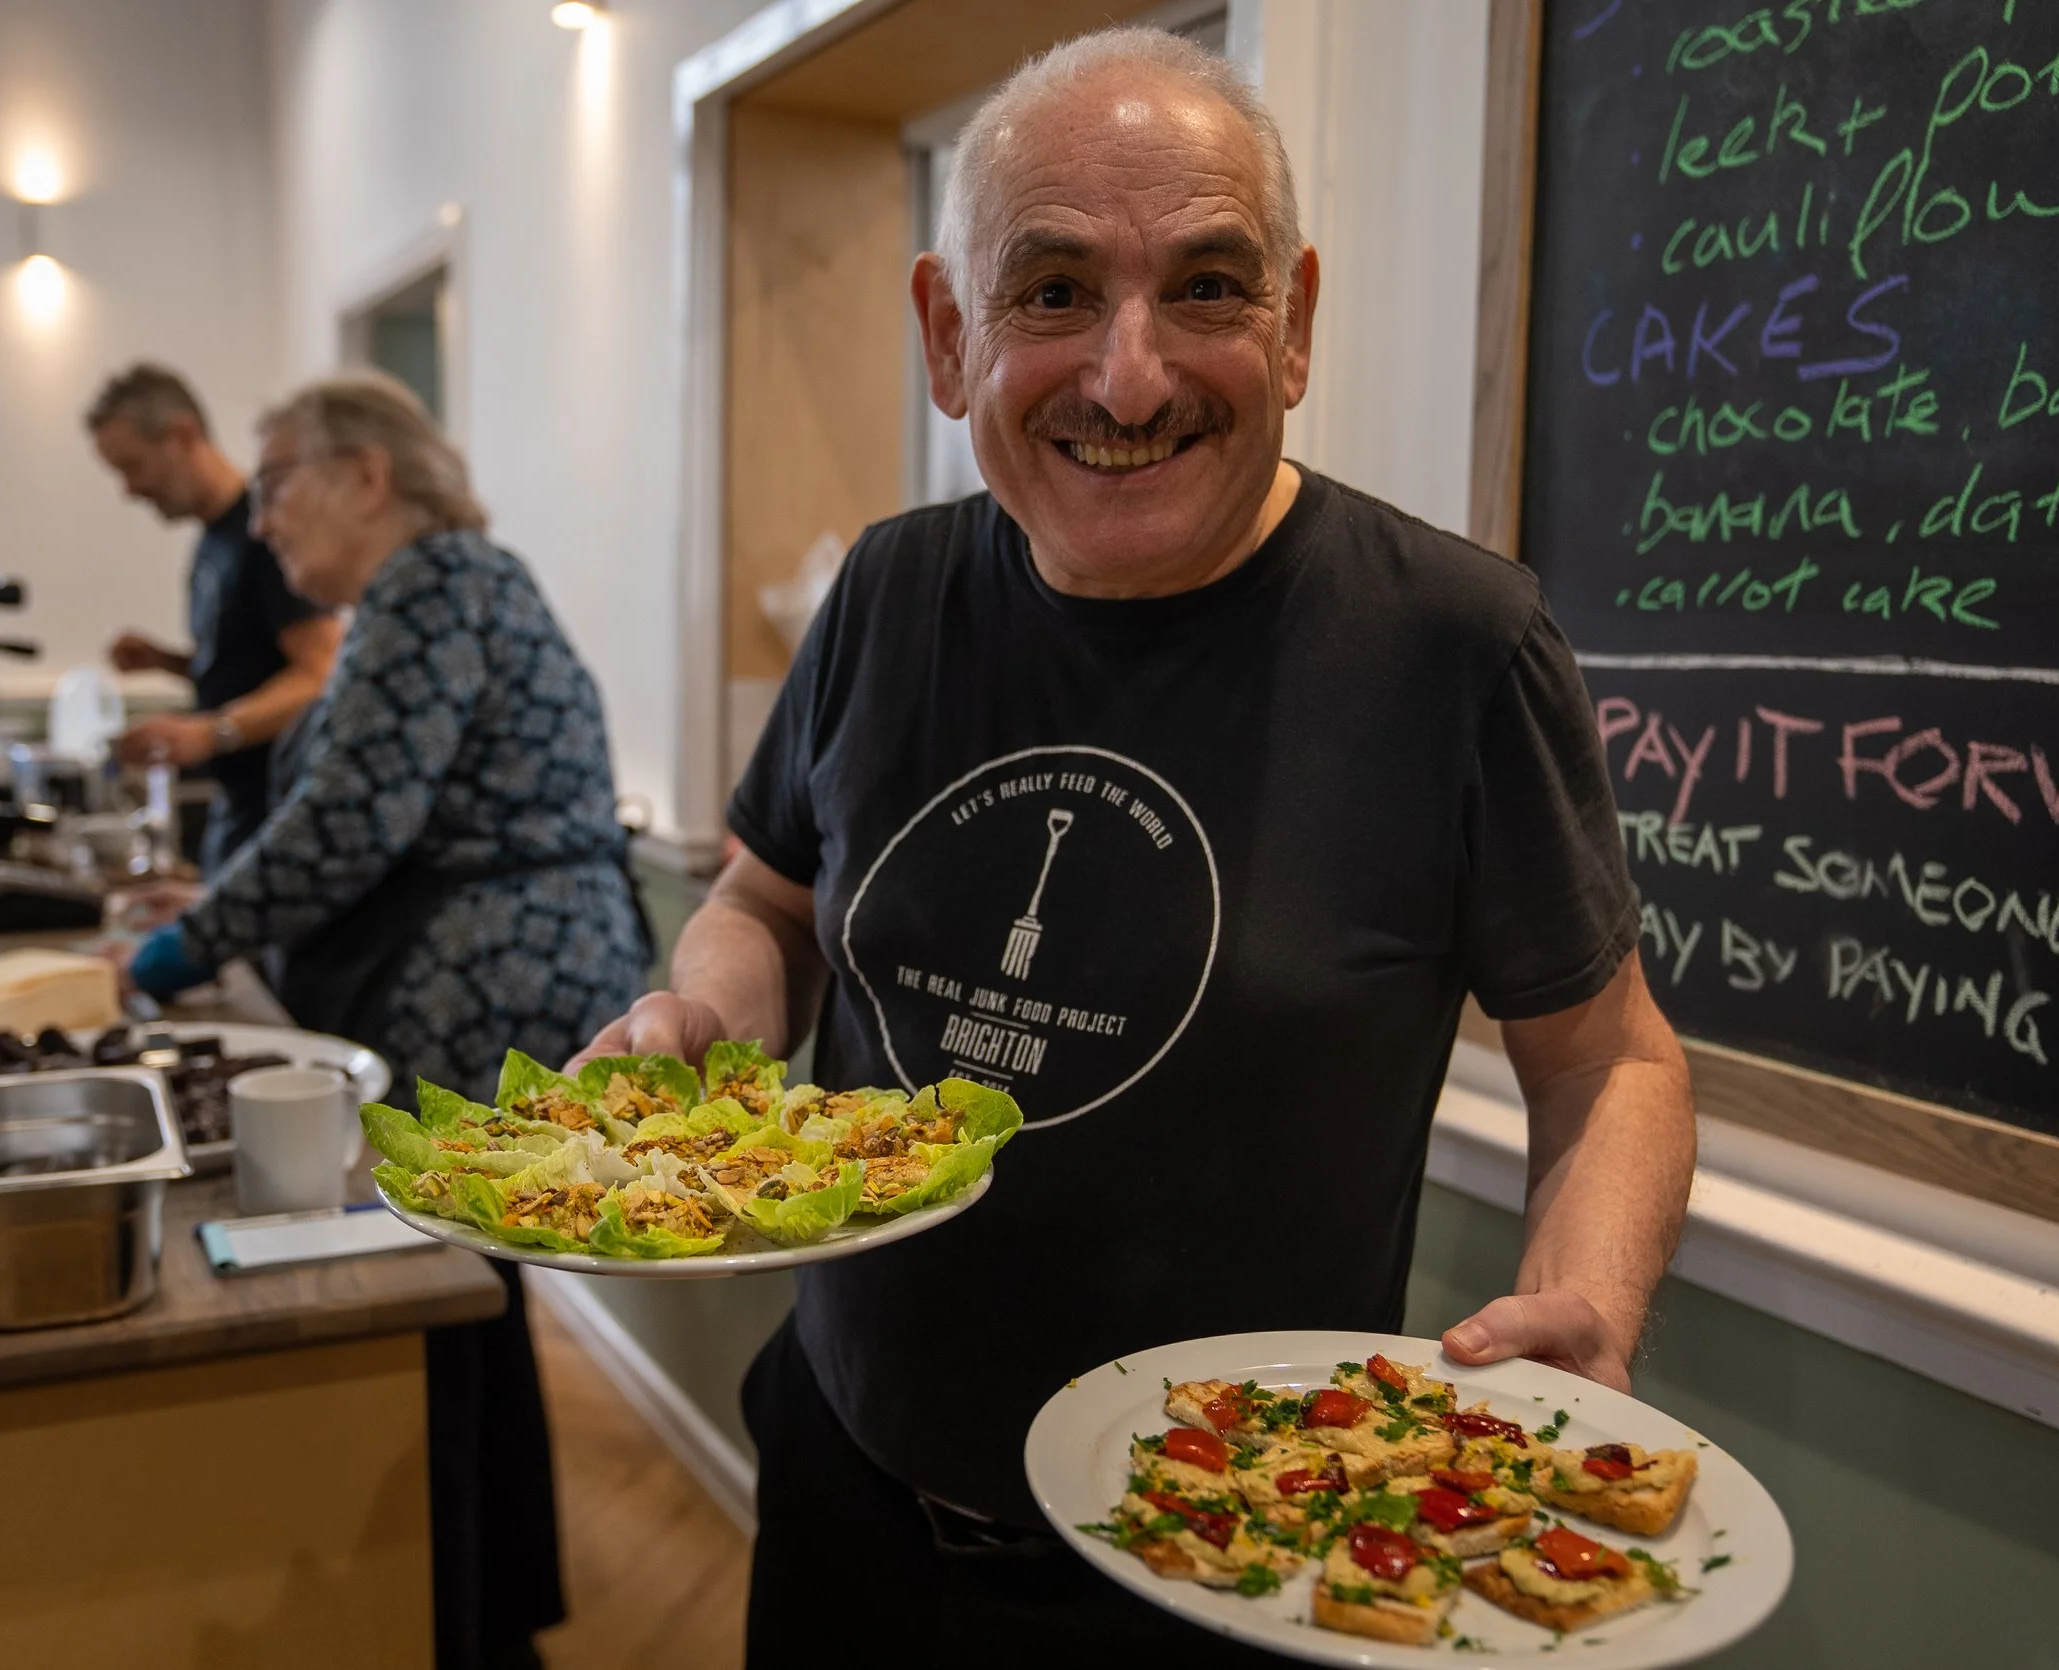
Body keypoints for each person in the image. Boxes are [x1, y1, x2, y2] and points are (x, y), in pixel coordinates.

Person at [573, 27, 1697, 1668]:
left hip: (1221, 1562)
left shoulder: (1454, 646)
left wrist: (1588, 1303)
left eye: (1208, 288)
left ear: (1295, 323)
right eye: (1050, 295)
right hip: (844, 1488)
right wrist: (710, 1016)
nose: (1129, 375)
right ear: (948, 336)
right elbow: (764, 896)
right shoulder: (888, 593)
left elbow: (1610, 1059)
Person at [122, 372, 646, 1670]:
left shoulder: (434, 581)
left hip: (486, 991)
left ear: (369, 473)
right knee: (472, 1299)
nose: (262, 518)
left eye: (282, 476)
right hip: (498, 975)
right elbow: (359, 811)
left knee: (439, 1304)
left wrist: (185, 944)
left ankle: (464, 1619)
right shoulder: (429, 590)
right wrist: (220, 901)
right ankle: (493, 1606)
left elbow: (352, 825)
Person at [85, 363, 345, 875]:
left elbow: (320, 674)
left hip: (278, 809)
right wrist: (169, 662)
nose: (130, 490)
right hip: (240, 809)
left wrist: (209, 734)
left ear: (182, 435)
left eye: (133, 466)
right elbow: (253, 666)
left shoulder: (266, 537)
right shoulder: (212, 542)